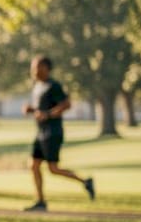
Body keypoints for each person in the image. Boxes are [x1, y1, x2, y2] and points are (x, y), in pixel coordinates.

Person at [22, 55, 94, 211]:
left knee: (53, 169)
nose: (33, 70)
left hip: (52, 132)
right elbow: (41, 110)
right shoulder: (37, 86)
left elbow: (66, 104)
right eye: (33, 67)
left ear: (46, 68)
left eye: (37, 67)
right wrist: (32, 110)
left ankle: (85, 181)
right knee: (33, 165)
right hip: (41, 132)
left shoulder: (53, 86)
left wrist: (48, 115)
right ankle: (40, 201)